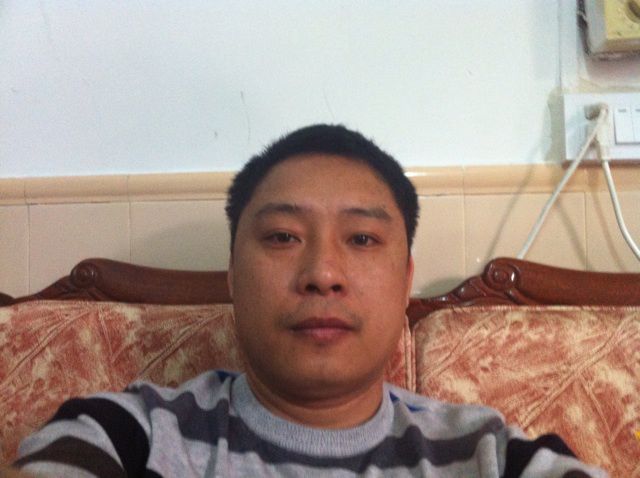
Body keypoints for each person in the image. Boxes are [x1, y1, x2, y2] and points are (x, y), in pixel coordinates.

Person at [10, 125, 605, 477]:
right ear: (233, 276)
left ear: (405, 282)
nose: (322, 274)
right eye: (282, 237)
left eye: (362, 239)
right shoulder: (123, 435)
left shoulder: (492, 456)